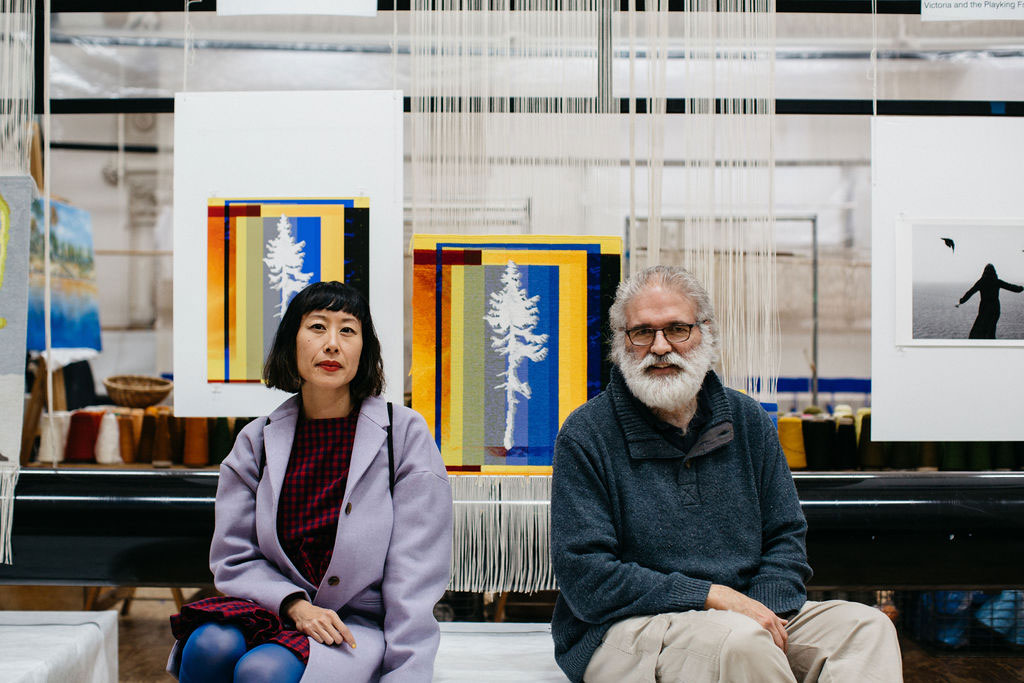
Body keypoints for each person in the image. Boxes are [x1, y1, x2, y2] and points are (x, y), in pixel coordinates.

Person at [550, 265, 902, 683]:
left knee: (866, 629)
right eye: (642, 332)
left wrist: (759, 607)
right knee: (740, 643)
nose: (660, 346)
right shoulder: (586, 433)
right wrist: (716, 599)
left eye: (677, 329)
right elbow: (588, 577)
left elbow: (785, 536)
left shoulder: (747, 419)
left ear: (706, 332)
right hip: (623, 627)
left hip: (744, 615)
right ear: (621, 343)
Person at [167, 281, 453, 682]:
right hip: (274, 609)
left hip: (355, 625)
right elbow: (234, 559)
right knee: (208, 645)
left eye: (347, 330)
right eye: (317, 326)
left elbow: (415, 575)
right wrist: (296, 607)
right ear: (292, 343)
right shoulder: (255, 441)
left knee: (261, 672)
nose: (332, 343)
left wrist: (406, 671)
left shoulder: (404, 435)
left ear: (363, 351)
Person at [958, 263, 1023, 339]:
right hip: (995, 310)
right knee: (991, 331)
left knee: (976, 332)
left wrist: (961, 301)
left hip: (984, 310)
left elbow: (970, 292)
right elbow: (1011, 287)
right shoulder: (996, 281)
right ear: (994, 272)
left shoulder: (981, 282)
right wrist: (1021, 288)